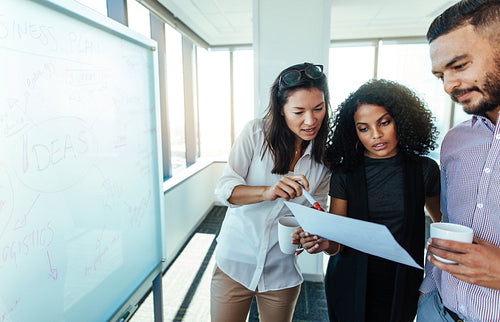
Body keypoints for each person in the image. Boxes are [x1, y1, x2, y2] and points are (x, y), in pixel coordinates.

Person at [294, 79, 441, 322]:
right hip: (350, 281)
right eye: (364, 128)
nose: (376, 135)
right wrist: (323, 244)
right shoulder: (345, 173)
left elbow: (441, 225)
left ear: (401, 121)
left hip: (401, 282)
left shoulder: (424, 170)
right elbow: (337, 243)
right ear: (354, 132)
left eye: (384, 123)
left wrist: (436, 279)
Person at [211, 62, 332, 322]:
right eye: (298, 111)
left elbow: (315, 211)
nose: (311, 121)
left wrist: (307, 235)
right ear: (281, 110)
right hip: (235, 262)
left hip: (281, 272)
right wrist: (267, 191)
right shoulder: (256, 133)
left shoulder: (324, 160)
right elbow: (225, 189)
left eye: (318, 109)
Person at [416, 1, 500, 321]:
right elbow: (446, 222)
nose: (449, 85)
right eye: (440, 75)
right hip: (438, 310)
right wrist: (427, 291)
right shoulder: (454, 141)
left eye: (460, 66)